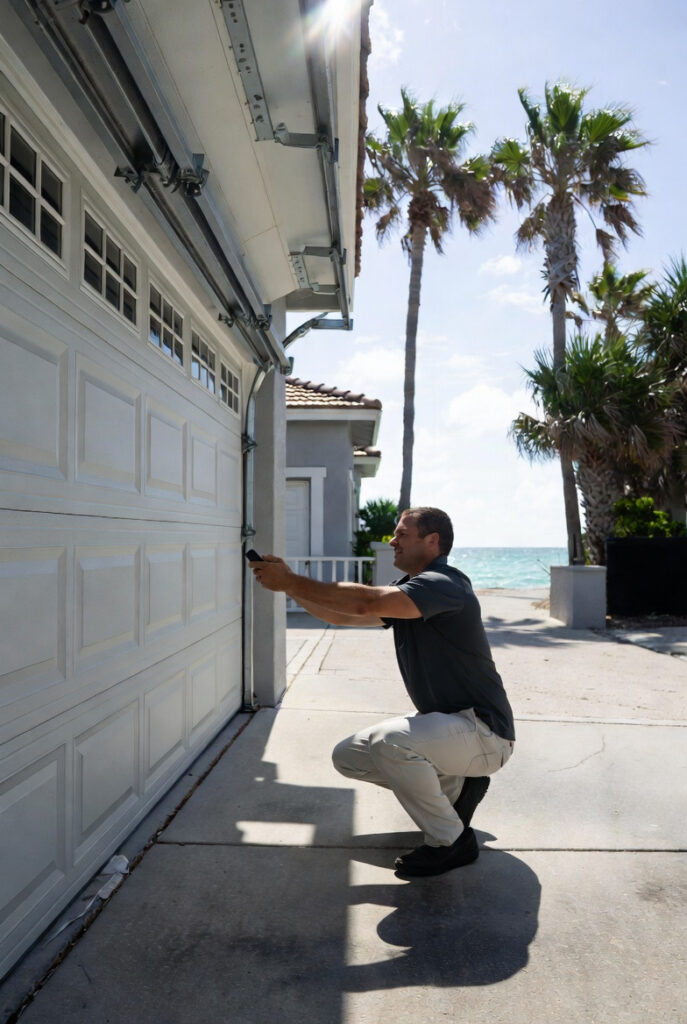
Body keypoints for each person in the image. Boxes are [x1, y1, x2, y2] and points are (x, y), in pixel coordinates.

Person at [250, 506, 515, 878]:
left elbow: (365, 602)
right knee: (349, 756)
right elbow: (343, 616)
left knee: (391, 743)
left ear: (432, 540)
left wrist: (291, 581)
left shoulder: (444, 584)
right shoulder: (416, 593)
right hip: (453, 731)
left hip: (485, 733)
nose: (392, 540)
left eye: (402, 533)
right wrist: (286, 586)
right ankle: (458, 792)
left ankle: (451, 841)